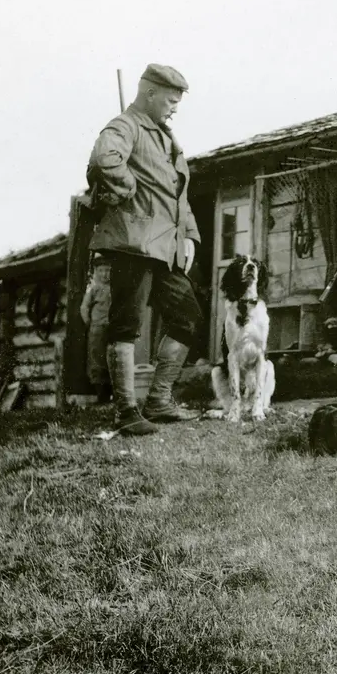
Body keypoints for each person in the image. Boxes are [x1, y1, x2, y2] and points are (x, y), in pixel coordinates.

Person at [85, 63, 203, 435]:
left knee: (187, 317)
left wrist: (188, 234)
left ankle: (159, 401)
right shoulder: (127, 125)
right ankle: (126, 411)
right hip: (132, 243)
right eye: (171, 100)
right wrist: (127, 190)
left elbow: (177, 196)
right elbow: (104, 158)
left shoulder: (166, 138)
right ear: (149, 93)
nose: (175, 108)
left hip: (166, 248)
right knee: (126, 326)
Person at [79, 252, 113, 404]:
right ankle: (101, 395)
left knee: (112, 359)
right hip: (97, 328)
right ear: (96, 272)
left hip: (112, 328)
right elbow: (84, 307)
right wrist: (89, 323)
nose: (105, 274)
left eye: (107, 270)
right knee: (96, 359)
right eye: (101, 271)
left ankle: (114, 393)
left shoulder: (114, 288)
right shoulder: (93, 289)